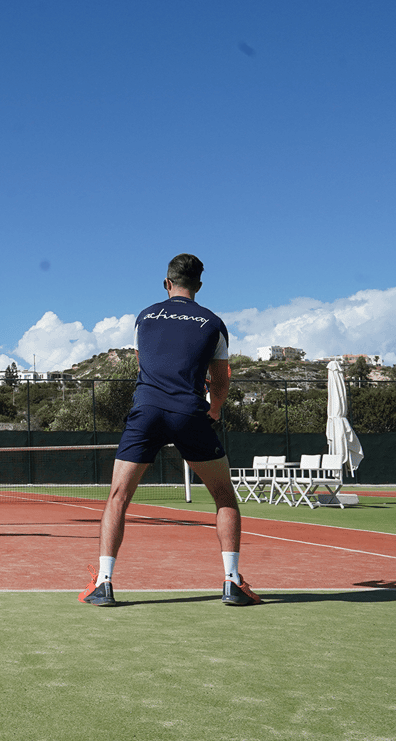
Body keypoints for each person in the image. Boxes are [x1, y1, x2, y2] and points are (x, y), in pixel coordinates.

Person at [80, 253, 261, 607]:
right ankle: (232, 582)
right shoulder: (214, 323)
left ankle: (104, 583)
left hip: (146, 411)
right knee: (224, 496)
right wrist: (215, 410)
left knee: (118, 497)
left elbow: (144, 364)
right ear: (199, 285)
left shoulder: (144, 317)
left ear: (167, 283)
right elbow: (221, 382)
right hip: (189, 413)